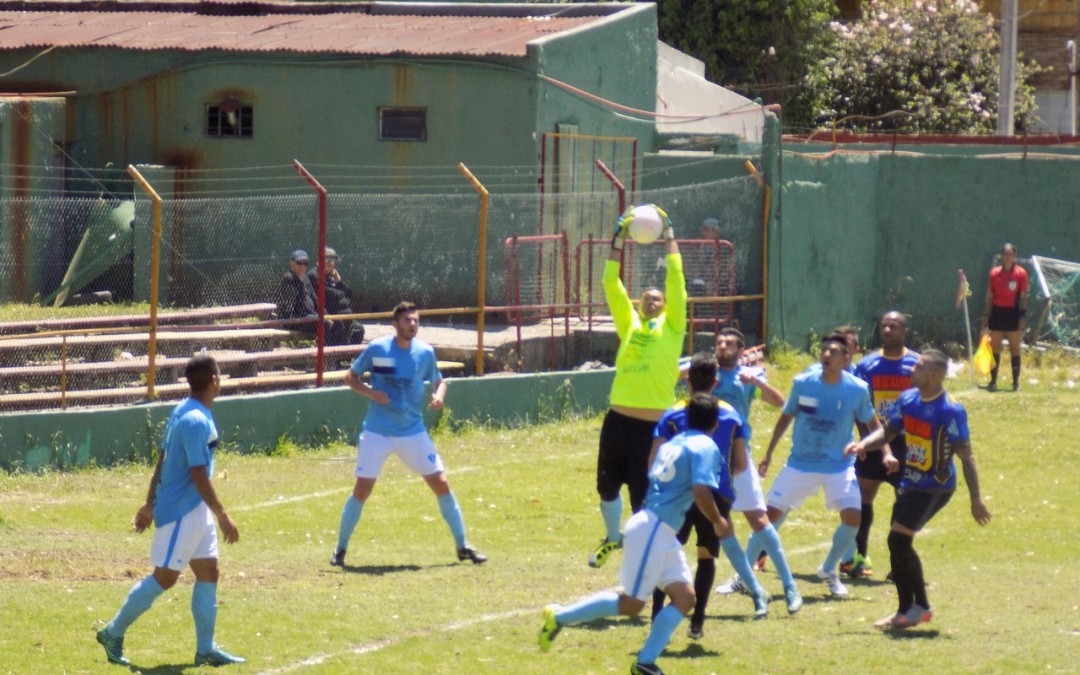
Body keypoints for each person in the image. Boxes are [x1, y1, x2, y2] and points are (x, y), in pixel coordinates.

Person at [540, 393, 726, 675]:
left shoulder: (674, 443)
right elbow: (701, 491)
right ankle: (560, 616)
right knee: (631, 604)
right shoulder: (705, 446)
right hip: (654, 530)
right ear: (715, 423)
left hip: (658, 529)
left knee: (686, 597)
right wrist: (717, 520)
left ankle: (645, 663)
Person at [96, 355, 245, 667]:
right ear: (214, 380)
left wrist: (149, 502)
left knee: (208, 572)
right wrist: (223, 514)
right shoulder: (195, 420)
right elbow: (198, 475)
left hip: (194, 510)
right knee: (165, 577)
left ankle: (205, 649)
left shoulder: (184, 411)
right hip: (182, 511)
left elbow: (162, 460)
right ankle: (113, 631)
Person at [331, 301, 486, 567]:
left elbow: (439, 381)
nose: (412, 325)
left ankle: (462, 546)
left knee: (441, 483)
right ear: (395, 324)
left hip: (413, 431)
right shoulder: (379, 349)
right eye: (407, 321)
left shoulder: (425, 353)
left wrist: (438, 396)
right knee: (362, 490)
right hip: (378, 431)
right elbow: (350, 377)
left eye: (415, 320)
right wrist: (371, 393)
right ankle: (340, 550)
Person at [845, 349, 992, 629]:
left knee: (898, 540)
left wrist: (976, 499)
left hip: (935, 487)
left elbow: (966, 456)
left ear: (935, 375)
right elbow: (888, 432)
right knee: (898, 542)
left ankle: (918, 607)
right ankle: (908, 610)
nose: (913, 369)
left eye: (920, 367)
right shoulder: (908, 399)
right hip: (909, 481)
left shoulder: (950, 410)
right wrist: (864, 444)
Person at [589, 205, 685, 569]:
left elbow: (676, 280)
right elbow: (611, 284)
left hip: (652, 428)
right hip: (617, 420)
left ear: (666, 306)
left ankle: (646, 556)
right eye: (646, 297)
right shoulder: (629, 324)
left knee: (643, 496)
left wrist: (669, 236)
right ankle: (613, 537)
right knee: (606, 486)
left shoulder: (673, 328)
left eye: (657, 298)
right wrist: (617, 239)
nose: (651, 299)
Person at [752, 332, 881, 598]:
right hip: (801, 463)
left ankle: (829, 568)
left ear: (847, 358)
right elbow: (786, 416)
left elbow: (871, 422)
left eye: (833, 352)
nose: (826, 355)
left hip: (839, 465)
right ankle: (742, 576)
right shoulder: (803, 382)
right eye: (823, 351)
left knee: (853, 518)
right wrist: (769, 453)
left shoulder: (857, 388)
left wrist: (883, 450)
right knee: (768, 516)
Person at [651, 352, 769, 635]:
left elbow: (656, 459)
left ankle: (656, 616)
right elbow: (740, 463)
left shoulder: (671, 414)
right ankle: (697, 622)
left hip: (677, 495)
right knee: (706, 555)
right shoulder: (730, 413)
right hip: (717, 494)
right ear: (716, 382)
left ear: (687, 381)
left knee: (666, 553)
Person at [710, 328, 802, 614]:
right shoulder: (705, 371)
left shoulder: (748, 376)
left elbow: (782, 403)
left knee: (759, 520)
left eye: (729, 343)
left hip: (738, 454)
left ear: (741, 349)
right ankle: (753, 587)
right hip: (706, 457)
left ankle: (789, 586)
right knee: (720, 524)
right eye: (719, 342)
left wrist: (758, 383)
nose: (723, 346)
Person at [842, 311, 919, 578]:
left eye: (894, 326)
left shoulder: (916, 365)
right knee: (863, 499)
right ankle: (859, 558)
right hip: (874, 442)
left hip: (907, 444)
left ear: (905, 331)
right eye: (884, 325)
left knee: (905, 501)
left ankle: (898, 563)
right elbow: (861, 409)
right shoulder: (868, 365)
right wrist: (866, 443)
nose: (887, 330)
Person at [981, 243, 1028, 391]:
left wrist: (1022, 315)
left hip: (1013, 313)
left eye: (1010, 254)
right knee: (995, 348)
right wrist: (986, 314)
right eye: (1005, 254)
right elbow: (990, 295)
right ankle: (993, 381)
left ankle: (1015, 383)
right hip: (997, 313)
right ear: (1002, 256)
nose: (1007, 257)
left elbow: (1023, 297)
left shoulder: (1021, 273)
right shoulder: (994, 273)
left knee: (1015, 348)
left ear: (1014, 256)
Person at [309, 247, 365, 346]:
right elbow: (329, 294)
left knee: (359, 329)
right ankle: (336, 357)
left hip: (345, 315)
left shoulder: (332, 276)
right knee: (339, 326)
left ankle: (346, 357)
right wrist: (340, 293)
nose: (331, 263)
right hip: (331, 314)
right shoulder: (314, 274)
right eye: (328, 260)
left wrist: (339, 281)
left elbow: (349, 295)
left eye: (333, 260)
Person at [272, 249, 321, 336]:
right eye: (299, 263)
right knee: (323, 323)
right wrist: (315, 316)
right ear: (291, 263)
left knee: (336, 322)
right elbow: (294, 308)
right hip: (294, 320)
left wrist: (326, 315)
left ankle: (338, 348)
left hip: (308, 317)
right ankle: (325, 348)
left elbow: (316, 299)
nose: (302, 266)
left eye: (305, 263)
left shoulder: (305, 278)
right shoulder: (289, 278)